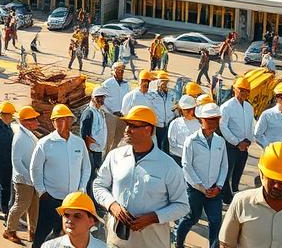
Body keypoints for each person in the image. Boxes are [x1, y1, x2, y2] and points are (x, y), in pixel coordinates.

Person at [91, 105, 188, 248]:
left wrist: (153, 217)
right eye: (127, 125)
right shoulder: (115, 156)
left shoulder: (168, 166)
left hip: (151, 242)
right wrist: (112, 205)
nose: (126, 130)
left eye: (133, 126)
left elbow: (182, 206)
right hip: (117, 241)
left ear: (148, 130)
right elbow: (99, 185)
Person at [220, 142, 282, 248]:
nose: (277, 186)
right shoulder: (242, 202)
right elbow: (226, 244)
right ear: (261, 174)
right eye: (272, 180)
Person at [29, 105, 91, 248]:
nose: (64, 123)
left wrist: (81, 188)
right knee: (43, 234)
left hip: (72, 202)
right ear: (53, 122)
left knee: (66, 235)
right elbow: (35, 168)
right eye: (59, 120)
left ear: (71, 121)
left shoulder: (78, 143)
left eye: (67, 119)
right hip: (50, 198)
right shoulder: (45, 143)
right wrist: (41, 191)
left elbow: (86, 168)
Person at [173, 101, 226, 248]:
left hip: (214, 190)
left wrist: (219, 186)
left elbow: (224, 166)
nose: (213, 123)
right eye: (210, 119)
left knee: (216, 221)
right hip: (195, 190)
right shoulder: (191, 141)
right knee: (191, 218)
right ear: (201, 120)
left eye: (216, 119)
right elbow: (186, 166)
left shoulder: (220, 142)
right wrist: (201, 187)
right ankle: (178, 242)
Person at [5, 105, 42, 245]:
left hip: (31, 179)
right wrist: (28, 177)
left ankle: (33, 231)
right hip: (24, 180)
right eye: (34, 119)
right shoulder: (20, 137)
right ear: (25, 122)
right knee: (21, 205)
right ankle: (10, 230)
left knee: (34, 207)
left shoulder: (28, 133)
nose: (37, 122)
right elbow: (16, 161)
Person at [220, 75, 256, 202]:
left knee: (238, 172)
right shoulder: (227, 106)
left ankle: (234, 192)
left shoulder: (249, 107)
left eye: (247, 90)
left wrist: (249, 141)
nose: (244, 93)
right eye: (241, 90)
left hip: (244, 146)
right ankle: (226, 197)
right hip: (231, 146)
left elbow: (251, 125)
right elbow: (223, 127)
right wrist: (236, 142)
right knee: (227, 172)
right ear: (234, 89)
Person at [40, 192, 105, 248]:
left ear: (91, 221)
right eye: (66, 215)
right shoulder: (49, 246)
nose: (70, 220)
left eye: (77, 216)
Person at [77, 86, 108, 191]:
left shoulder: (100, 112)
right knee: (89, 177)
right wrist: (87, 151)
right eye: (98, 97)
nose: (101, 100)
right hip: (90, 151)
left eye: (102, 97)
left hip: (98, 150)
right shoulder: (89, 113)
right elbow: (84, 135)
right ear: (93, 98)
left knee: (96, 177)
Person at [99, 63, 128, 153]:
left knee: (118, 140)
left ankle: (112, 157)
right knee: (108, 140)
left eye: (122, 70)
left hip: (122, 116)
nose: (120, 72)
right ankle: (104, 161)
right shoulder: (107, 84)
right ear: (113, 71)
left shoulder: (126, 84)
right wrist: (111, 112)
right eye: (118, 70)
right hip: (110, 116)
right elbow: (102, 101)